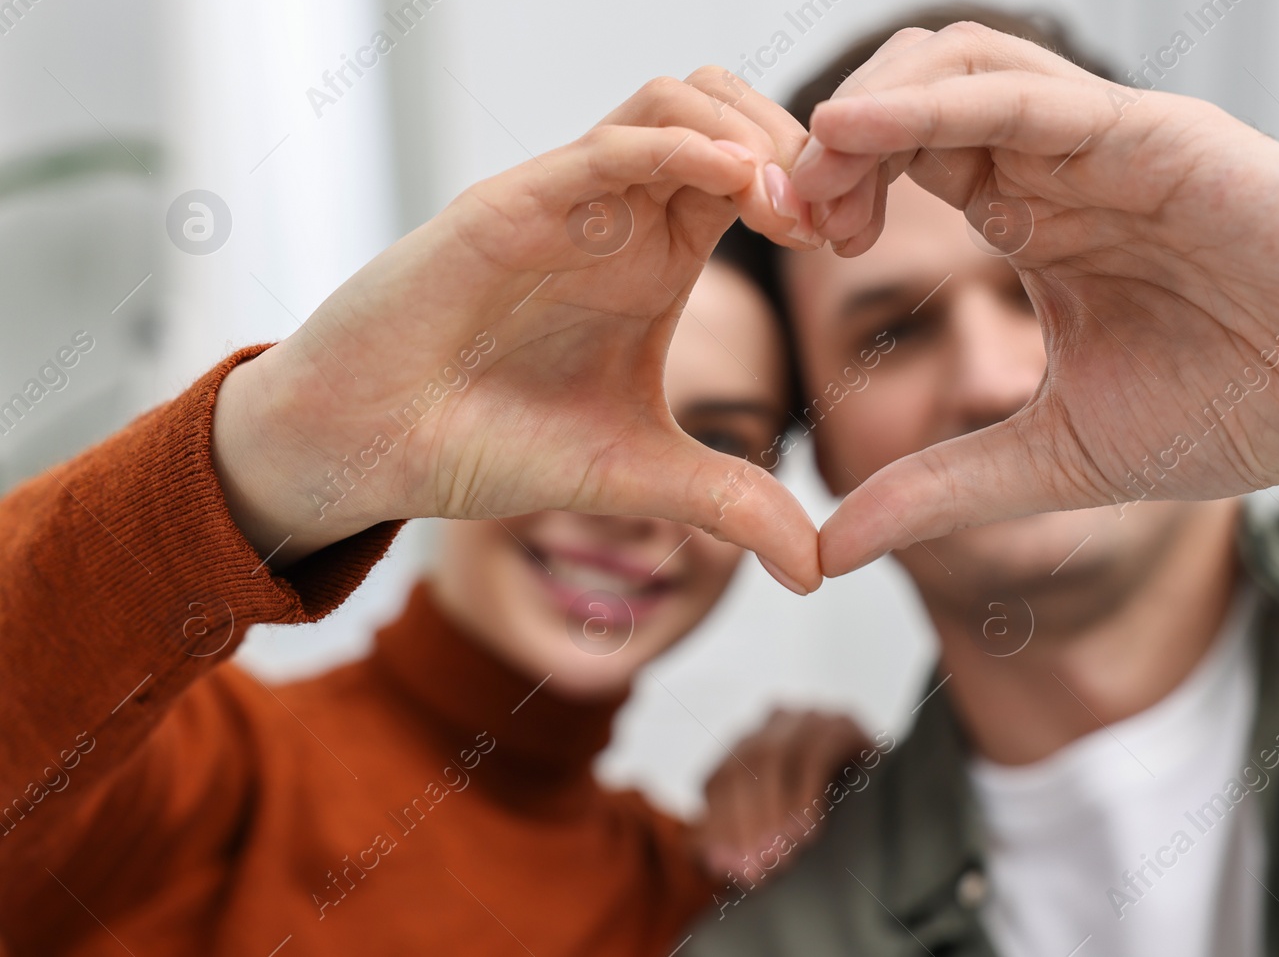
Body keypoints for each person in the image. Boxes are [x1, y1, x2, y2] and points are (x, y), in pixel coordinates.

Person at [684, 7, 1279, 957]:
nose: (995, 379)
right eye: (892, 334)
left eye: (1044, 289)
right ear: (818, 444)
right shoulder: (787, 936)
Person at [0, 74, 865, 954]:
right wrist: (277, 438)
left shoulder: (694, 896)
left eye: (718, 440)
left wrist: (880, 810)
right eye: (568, 405)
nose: (627, 496)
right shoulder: (203, 776)